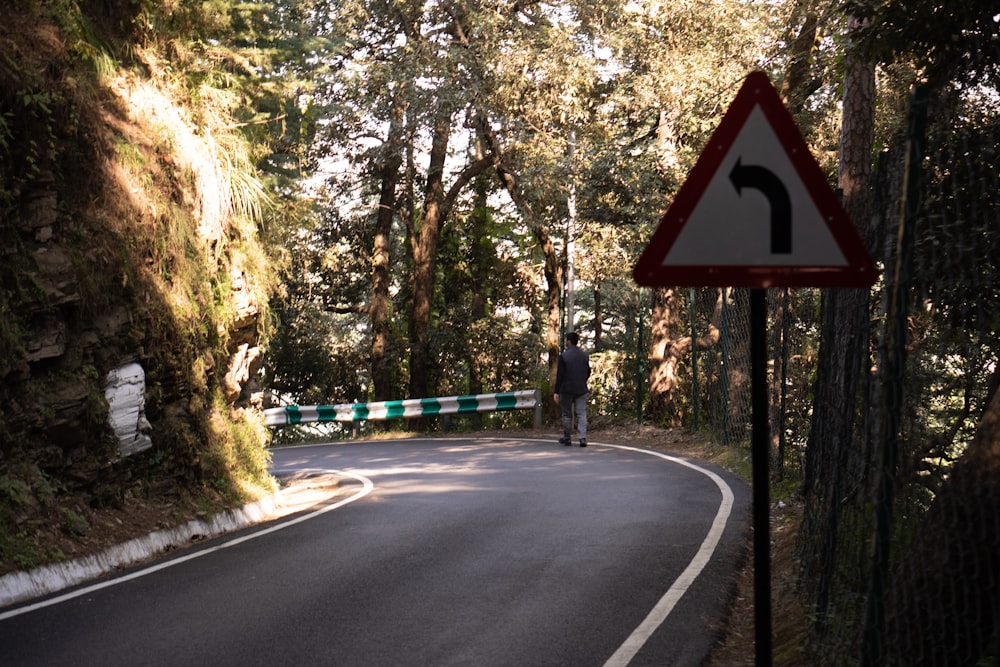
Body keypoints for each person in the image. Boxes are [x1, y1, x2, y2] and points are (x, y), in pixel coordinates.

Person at [553, 330, 590, 447]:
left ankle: (567, 437)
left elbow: (560, 375)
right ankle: (582, 437)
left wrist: (556, 391)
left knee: (566, 414)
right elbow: (588, 371)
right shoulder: (584, 355)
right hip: (581, 388)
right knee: (581, 413)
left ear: (568, 341)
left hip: (566, 388)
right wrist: (582, 380)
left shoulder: (564, 356)